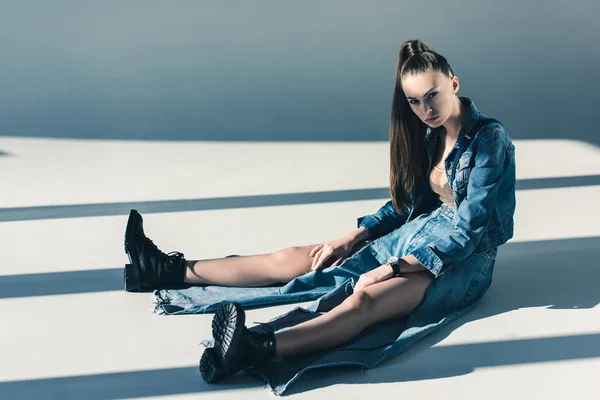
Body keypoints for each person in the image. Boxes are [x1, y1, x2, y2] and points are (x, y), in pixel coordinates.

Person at [123, 39, 516, 386]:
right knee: (303, 258)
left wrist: (392, 267)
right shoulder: (431, 133)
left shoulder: (488, 140)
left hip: (461, 262)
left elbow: (467, 234)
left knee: (364, 302)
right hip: (420, 233)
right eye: (413, 101)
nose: (424, 109)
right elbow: (410, 205)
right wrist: (355, 237)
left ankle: (253, 348)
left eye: (432, 95)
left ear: (454, 82)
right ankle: (164, 270)